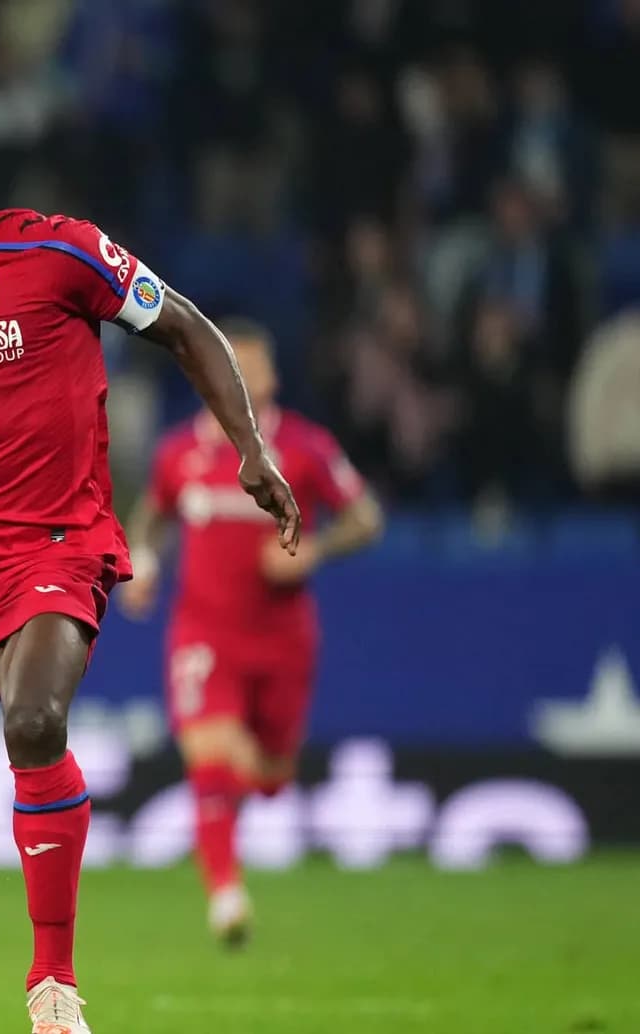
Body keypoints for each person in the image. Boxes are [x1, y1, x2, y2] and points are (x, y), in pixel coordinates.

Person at [0, 120, 299, 1034]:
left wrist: (248, 449)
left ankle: (53, 987)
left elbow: (186, 328)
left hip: (51, 545)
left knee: (34, 721)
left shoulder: (54, 251)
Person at [120, 319, 383, 947]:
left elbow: (366, 518)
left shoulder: (304, 448)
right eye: (231, 364)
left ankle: (255, 786)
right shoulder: (181, 452)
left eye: (254, 367)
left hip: (283, 639)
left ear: (273, 377)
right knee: (211, 754)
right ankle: (226, 894)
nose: (243, 376)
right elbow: (153, 516)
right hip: (204, 634)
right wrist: (145, 564)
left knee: (267, 774)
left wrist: (312, 550)